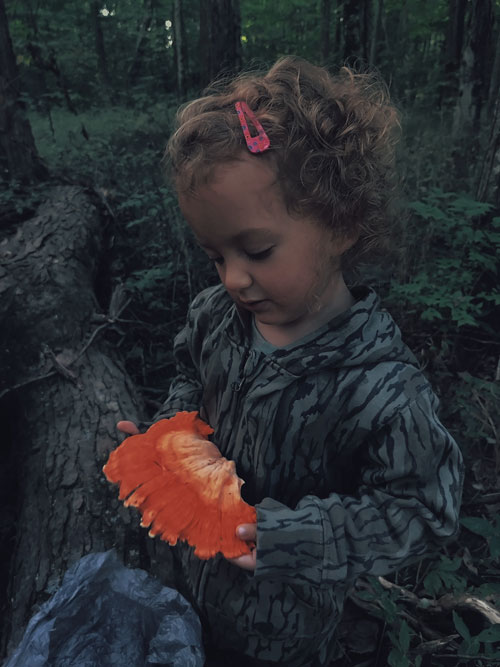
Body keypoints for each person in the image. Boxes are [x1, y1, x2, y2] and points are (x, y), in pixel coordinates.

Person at [118, 57, 463, 666]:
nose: (233, 278)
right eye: (215, 255)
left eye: (256, 250)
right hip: (186, 588)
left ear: (343, 224)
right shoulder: (215, 319)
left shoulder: (380, 387)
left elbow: (422, 511)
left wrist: (294, 540)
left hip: (280, 635)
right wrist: (172, 432)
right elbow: (190, 375)